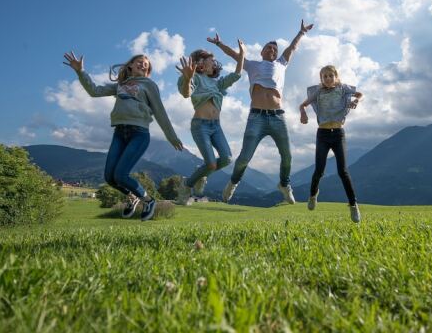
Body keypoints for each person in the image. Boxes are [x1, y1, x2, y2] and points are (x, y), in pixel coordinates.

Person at [63, 51, 183, 221]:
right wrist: (80, 72)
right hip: (119, 133)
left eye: (146, 65)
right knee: (110, 177)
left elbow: (160, 111)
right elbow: (94, 91)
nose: (143, 65)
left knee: (121, 174)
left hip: (139, 133)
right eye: (140, 62)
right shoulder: (120, 85)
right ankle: (132, 197)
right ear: (131, 65)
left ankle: (148, 200)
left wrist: (171, 137)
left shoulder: (149, 84)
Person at [208, 20, 313, 204]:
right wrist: (219, 44)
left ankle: (284, 184)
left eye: (275, 49)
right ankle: (233, 182)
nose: (272, 50)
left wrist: (301, 32)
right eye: (269, 48)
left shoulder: (282, 64)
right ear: (262, 51)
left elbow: (292, 48)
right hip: (256, 116)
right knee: (244, 158)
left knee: (287, 156)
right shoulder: (252, 65)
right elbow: (234, 55)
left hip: (277, 117)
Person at [175, 39, 246, 203]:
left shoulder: (216, 84)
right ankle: (187, 184)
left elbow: (236, 75)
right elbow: (186, 94)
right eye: (211, 60)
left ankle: (200, 176)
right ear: (200, 63)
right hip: (200, 126)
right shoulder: (194, 78)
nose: (215, 63)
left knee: (227, 158)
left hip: (216, 127)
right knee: (212, 164)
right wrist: (187, 78)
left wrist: (242, 54)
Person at [299, 65, 363, 223]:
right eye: (324, 76)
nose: (327, 78)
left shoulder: (343, 88)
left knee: (343, 171)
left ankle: (353, 205)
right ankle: (313, 195)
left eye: (330, 76)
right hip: (322, 134)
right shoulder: (318, 92)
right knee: (319, 170)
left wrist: (356, 99)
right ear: (321, 78)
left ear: (336, 76)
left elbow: (360, 93)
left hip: (338, 133)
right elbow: (303, 104)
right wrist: (303, 114)